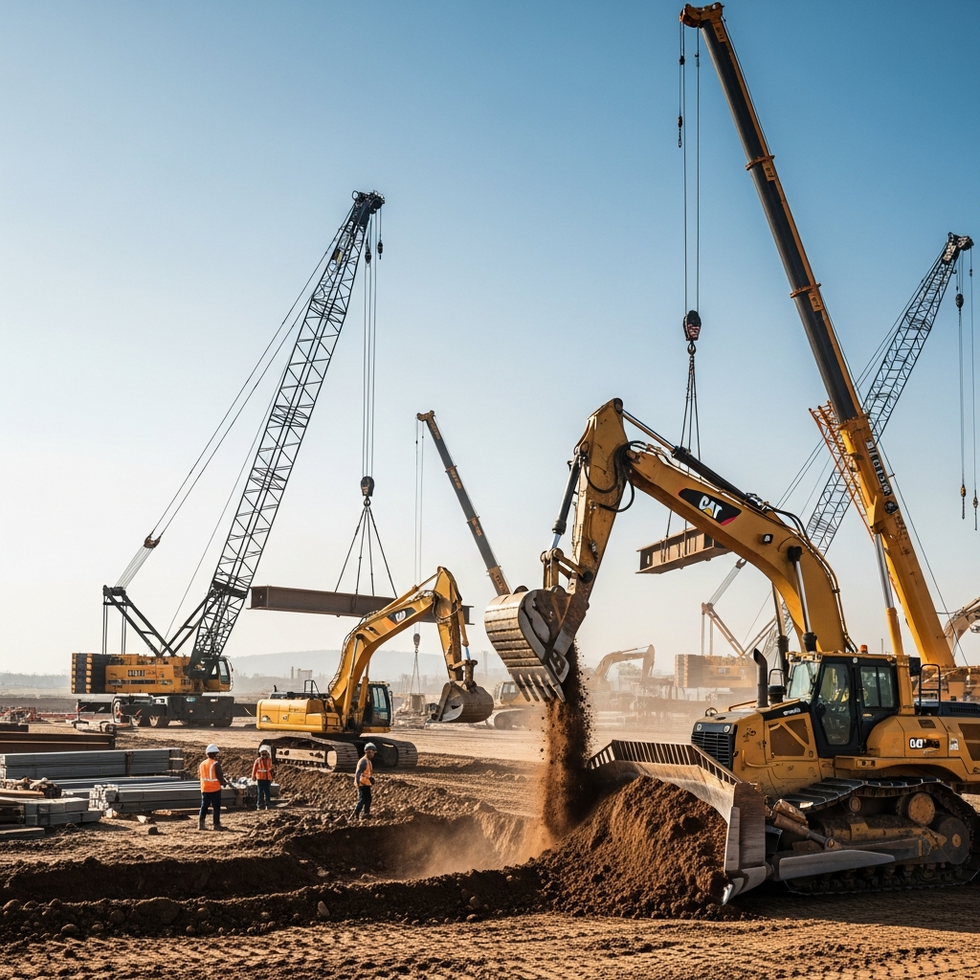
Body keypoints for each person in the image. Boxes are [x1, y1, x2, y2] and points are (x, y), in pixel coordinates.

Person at [198, 743, 231, 831]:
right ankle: (216, 824)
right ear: (214, 754)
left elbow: (200, 775)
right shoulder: (215, 764)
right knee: (216, 807)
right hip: (214, 789)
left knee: (204, 806)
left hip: (204, 788)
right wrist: (224, 783)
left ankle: (201, 824)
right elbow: (219, 776)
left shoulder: (202, 764)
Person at [352, 743, 376, 820]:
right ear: (367, 752)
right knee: (362, 799)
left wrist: (370, 779)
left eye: (373, 752)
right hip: (362, 783)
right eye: (370, 752)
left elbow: (366, 773)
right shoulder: (363, 761)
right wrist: (358, 783)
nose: (372, 754)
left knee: (368, 799)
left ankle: (366, 814)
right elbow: (358, 773)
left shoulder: (368, 761)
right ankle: (355, 814)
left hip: (366, 783)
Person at [252, 744, 274, 810]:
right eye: (262, 754)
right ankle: (259, 805)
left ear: (267, 754)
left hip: (267, 778)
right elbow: (254, 769)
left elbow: (271, 769)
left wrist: (272, 777)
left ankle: (267, 805)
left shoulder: (270, 760)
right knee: (260, 793)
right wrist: (253, 776)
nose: (263, 756)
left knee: (267, 792)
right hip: (260, 778)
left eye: (265, 754)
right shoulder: (258, 760)